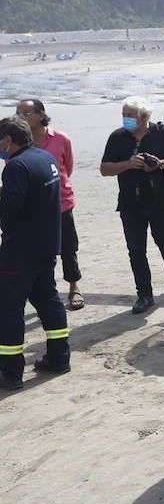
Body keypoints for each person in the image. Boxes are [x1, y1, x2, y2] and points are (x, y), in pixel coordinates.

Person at [100, 97, 164, 314]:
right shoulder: (117, 137)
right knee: (136, 251)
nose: (125, 118)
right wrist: (128, 164)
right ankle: (144, 295)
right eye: (124, 114)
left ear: (144, 117)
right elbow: (105, 169)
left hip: (160, 201)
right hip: (130, 203)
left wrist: (160, 164)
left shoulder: (161, 133)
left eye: (129, 115)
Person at [0, 117, 67, 390]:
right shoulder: (45, 157)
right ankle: (59, 357)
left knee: (8, 309)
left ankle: (11, 372)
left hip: (20, 251)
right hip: (46, 245)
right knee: (48, 301)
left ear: (7, 140)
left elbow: (9, 209)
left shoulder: (16, 166)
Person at [16, 100, 82, 310]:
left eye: (25, 113)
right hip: (31, 207)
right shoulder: (16, 143)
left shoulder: (61, 139)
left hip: (61, 203)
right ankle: (47, 291)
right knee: (39, 251)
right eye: (18, 113)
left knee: (68, 248)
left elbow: (67, 168)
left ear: (41, 115)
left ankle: (74, 286)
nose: (20, 117)